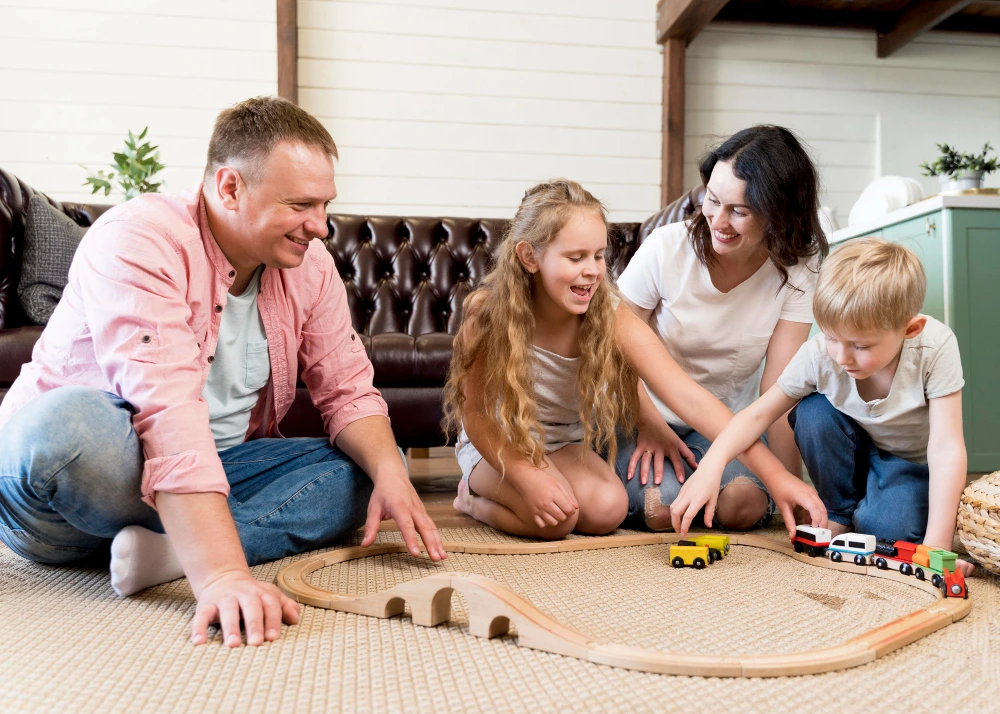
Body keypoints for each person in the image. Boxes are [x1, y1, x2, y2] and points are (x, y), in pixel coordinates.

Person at [0, 96, 446, 649]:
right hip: (84, 481)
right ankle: (205, 549)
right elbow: (166, 411)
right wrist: (223, 576)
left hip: (219, 469)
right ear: (230, 187)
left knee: (369, 469)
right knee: (68, 429)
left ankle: (164, 554)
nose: (322, 226)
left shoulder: (311, 267)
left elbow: (348, 388)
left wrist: (392, 477)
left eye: (326, 204)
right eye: (302, 204)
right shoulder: (139, 237)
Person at [446, 179, 824, 540]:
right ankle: (472, 501)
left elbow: (688, 396)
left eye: (597, 256)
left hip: (563, 440)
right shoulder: (488, 314)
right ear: (530, 257)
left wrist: (777, 476)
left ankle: (518, 493)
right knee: (555, 524)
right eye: (575, 257)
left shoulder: (607, 312)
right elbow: (476, 414)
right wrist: (525, 476)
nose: (593, 271)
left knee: (608, 510)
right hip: (500, 441)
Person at [680, 238, 973, 575]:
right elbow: (759, 413)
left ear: (910, 329)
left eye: (860, 346)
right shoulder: (820, 354)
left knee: (885, 530)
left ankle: (870, 510)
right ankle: (839, 513)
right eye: (832, 337)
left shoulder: (935, 347)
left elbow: (947, 447)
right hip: (853, 455)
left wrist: (937, 545)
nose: (842, 357)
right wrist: (711, 465)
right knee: (813, 412)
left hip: (909, 464)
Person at [615, 125, 828, 532]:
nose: (719, 220)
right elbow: (617, 350)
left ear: (778, 213)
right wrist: (649, 423)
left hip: (726, 428)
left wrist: (789, 487)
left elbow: (779, 390)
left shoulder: (798, 270)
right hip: (642, 416)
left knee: (743, 506)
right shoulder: (666, 248)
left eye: (740, 211)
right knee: (664, 508)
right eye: (713, 200)